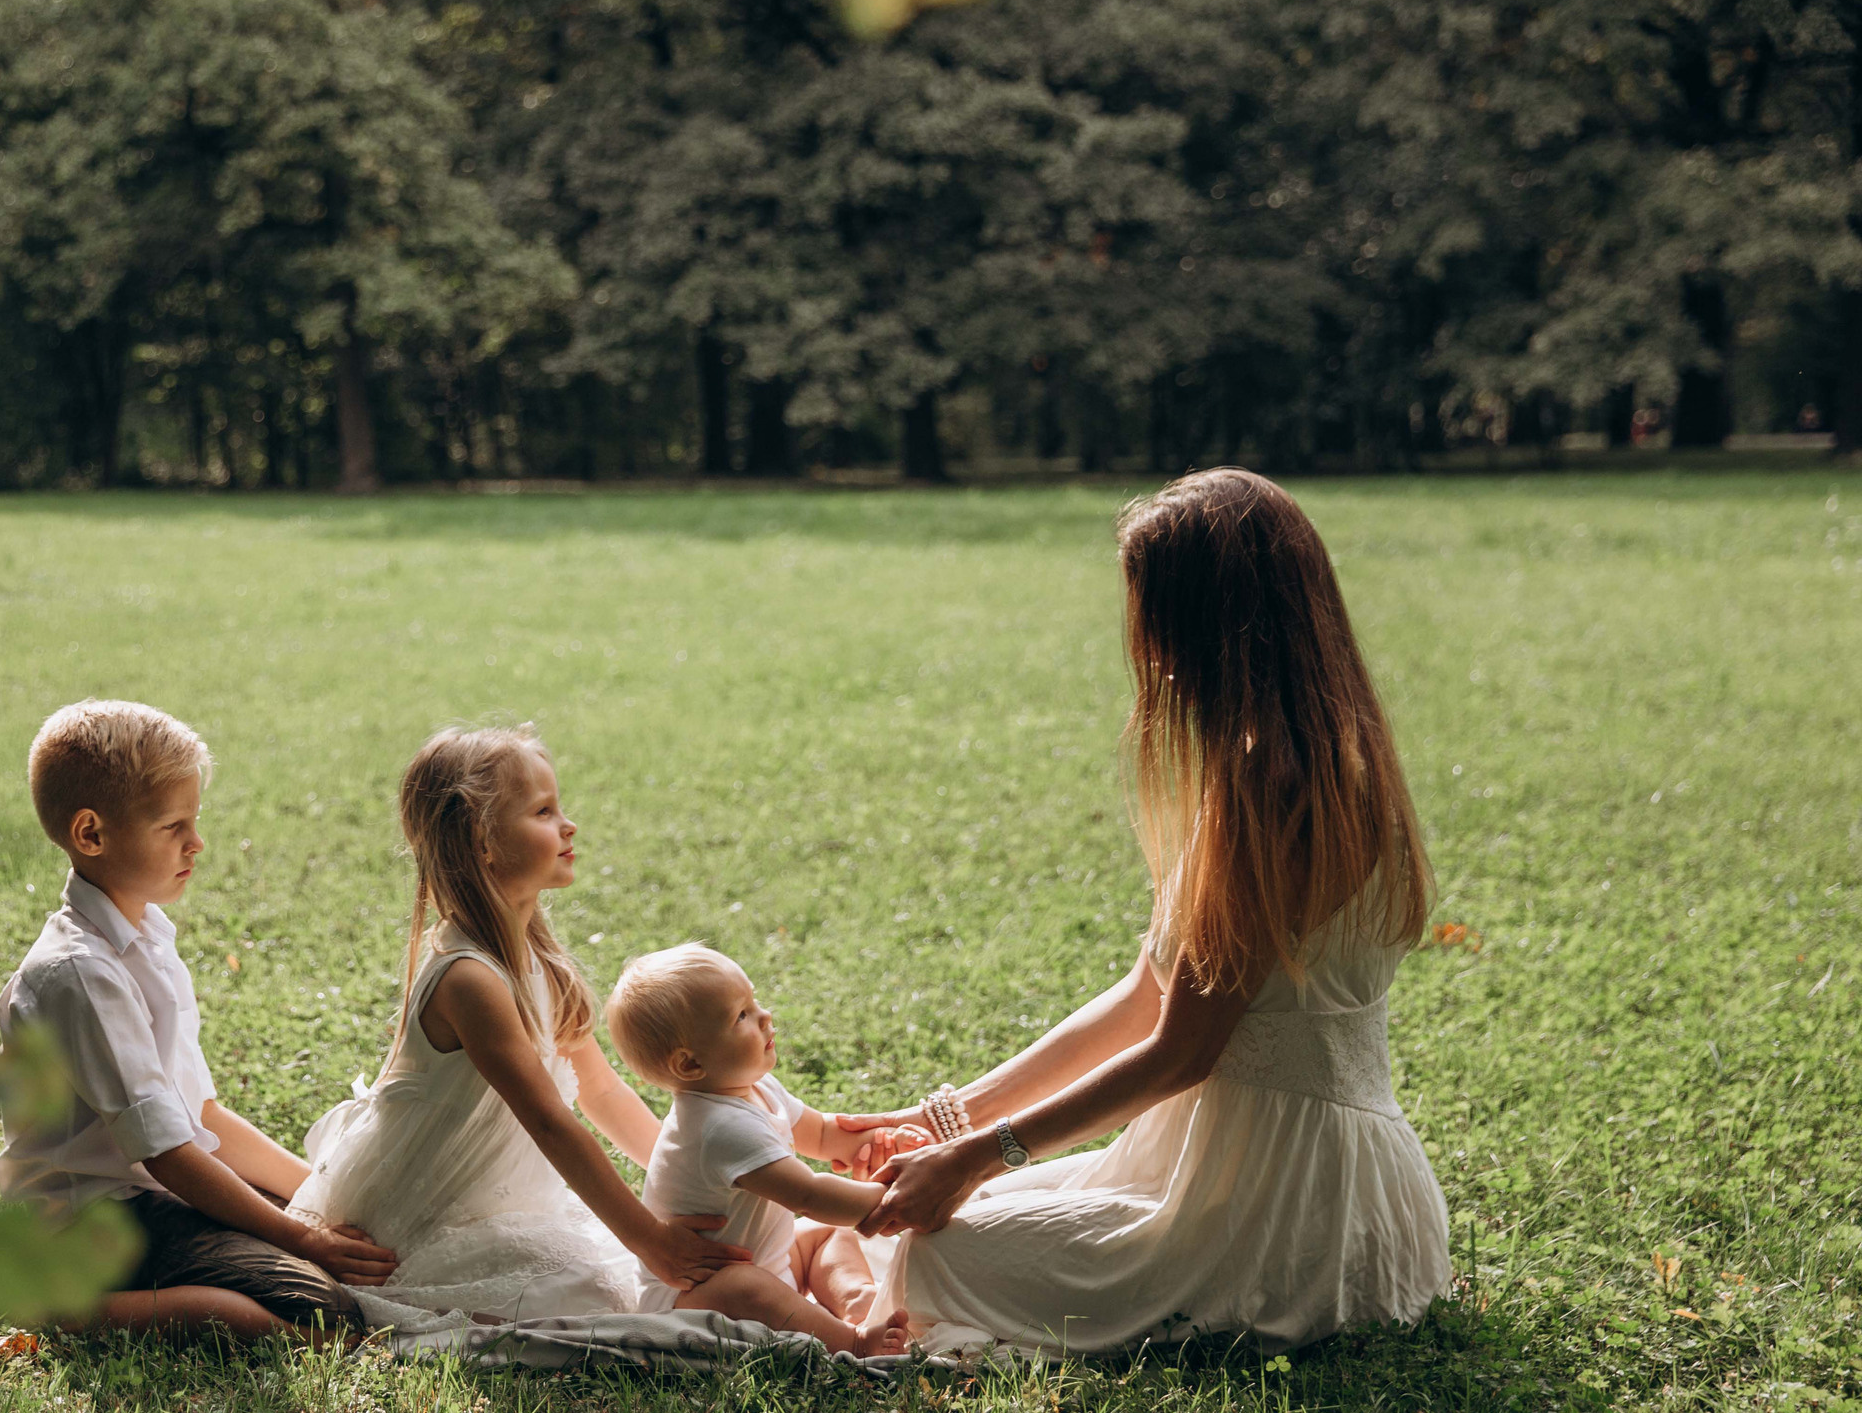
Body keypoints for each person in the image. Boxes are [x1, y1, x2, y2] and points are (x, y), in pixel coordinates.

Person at [839, 469, 1452, 1356]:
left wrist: (974, 1158)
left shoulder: (1272, 791)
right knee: (913, 1219)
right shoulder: (1323, 758)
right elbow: (1143, 998)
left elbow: (1180, 1050)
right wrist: (949, 1121)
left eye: (1150, 615)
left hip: (1283, 1204)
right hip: (1278, 1172)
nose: (1146, 649)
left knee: (927, 1254)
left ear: (1205, 625)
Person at [288, 725, 760, 1321]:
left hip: (504, 1202)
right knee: (594, 1294)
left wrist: (668, 1189)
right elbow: (549, 1121)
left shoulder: (543, 962)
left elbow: (603, 1092)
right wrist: (651, 1240)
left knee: (622, 1271)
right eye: (543, 811)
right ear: (482, 842)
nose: (569, 825)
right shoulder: (470, 979)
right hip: (429, 1221)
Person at [0, 700, 397, 1341]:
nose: (197, 843)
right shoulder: (78, 973)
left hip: (158, 1199)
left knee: (348, 1258)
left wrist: (317, 1196)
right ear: (91, 834)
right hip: (92, 1222)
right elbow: (166, 1153)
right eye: (172, 825)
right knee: (326, 1315)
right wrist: (302, 1236)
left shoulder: (146, 939)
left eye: (195, 820)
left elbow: (200, 1118)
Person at [604, 944, 914, 1354]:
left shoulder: (757, 1088)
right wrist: (897, 1196)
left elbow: (820, 1134)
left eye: (754, 1001)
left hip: (769, 1262)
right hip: (698, 1299)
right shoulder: (719, 1129)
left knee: (823, 1236)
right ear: (690, 1064)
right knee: (746, 1284)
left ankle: (854, 1297)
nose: (765, 1016)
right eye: (741, 1016)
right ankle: (852, 1342)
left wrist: (881, 1143)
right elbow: (810, 1194)